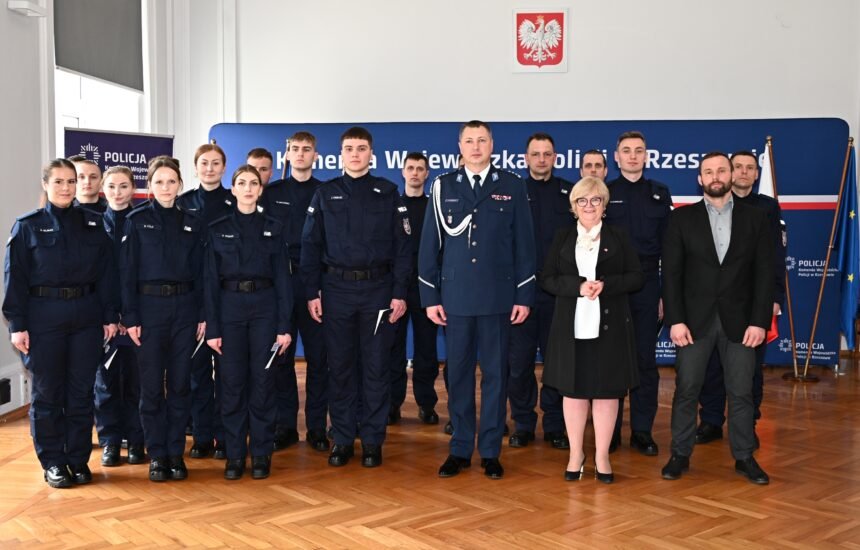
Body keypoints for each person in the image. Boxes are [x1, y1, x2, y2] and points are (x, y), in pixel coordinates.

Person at [419, 120, 536, 480]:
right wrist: (429, 295)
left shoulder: (511, 185)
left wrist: (523, 294)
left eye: (481, 140)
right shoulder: (442, 186)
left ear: (492, 145)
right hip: (454, 298)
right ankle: (459, 448)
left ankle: (489, 451)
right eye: (468, 140)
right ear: (459, 146)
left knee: (496, 376)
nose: (475, 146)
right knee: (458, 375)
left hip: (498, 297)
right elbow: (429, 246)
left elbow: (525, 246)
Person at [3, 158, 118, 488]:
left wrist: (110, 316)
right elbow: (15, 279)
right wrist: (17, 325)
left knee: (81, 393)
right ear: (46, 185)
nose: (67, 187)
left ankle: (78, 459)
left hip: (86, 316)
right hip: (44, 319)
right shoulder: (27, 226)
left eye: (72, 181)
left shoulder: (95, 225)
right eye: (59, 182)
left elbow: (107, 276)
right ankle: (53, 461)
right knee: (48, 394)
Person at [301, 126, 411, 468]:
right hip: (336, 292)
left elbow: (404, 249)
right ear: (340, 153)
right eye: (349, 148)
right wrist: (311, 292)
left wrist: (399, 293)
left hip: (378, 290)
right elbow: (310, 246)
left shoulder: (388, 192)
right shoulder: (325, 193)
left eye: (361, 148)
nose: (355, 154)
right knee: (341, 368)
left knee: (376, 367)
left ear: (371, 154)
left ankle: (373, 441)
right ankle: (344, 439)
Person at [661, 152, 773, 485]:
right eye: (708, 171)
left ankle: (744, 457)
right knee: (687, 389)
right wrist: (675, 320)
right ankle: (680, 454)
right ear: (699, 179)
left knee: (740, 392)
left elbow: (765, 275)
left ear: (732, 174)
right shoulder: (681, 219)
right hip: (693, 323)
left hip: (742, 322)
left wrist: (759, 321)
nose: (715, 176)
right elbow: (672, 275)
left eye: (721, 170)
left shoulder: (756, 219)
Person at [540, 176, 643, 483]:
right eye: (582, 201)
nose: (589, 206)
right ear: (573, 207)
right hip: (571, 327)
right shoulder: (561, 236)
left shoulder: (619, 236)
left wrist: (606, 286)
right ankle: (576, 454)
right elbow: (547, 279)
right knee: (573, 393)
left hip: (609, 328)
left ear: (604, 205)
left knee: (607, 393)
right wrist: (578, 286)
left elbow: (637, 277)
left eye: (595, 200)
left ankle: (601, 456)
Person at [121, 156, 207, 482]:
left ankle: (175, 454)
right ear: (150, 186)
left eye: (172, 182)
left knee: (182, 384)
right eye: (159, 182)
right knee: (152, 387)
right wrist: (130, 317)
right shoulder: (136, 220)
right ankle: (157, 455)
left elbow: (202, 273)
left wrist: (202, 314)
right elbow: (126, 273)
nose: (166, 187)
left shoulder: (192, 221)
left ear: (180, 185)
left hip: (185, 310)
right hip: (149, 311)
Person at [204, 165, 293, 480]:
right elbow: (210, 283)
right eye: (241, 183)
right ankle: (234, 455)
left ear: (260, 189)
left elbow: (284, 280)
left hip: (265, 310)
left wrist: (284, 327)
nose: (247, 188)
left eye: (253, 183)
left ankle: (261, 455)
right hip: (229, 311)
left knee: (263, 384)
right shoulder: (217, 228)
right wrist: (212, 329)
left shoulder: (274, 227)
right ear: (233, 188)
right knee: (230, 385)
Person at [695, 150, 786, 446]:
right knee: (711, 367)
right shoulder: (712, 206)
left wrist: (774, 296)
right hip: (713, 304)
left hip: (750, 303)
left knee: (750, 369)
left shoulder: (766, 209)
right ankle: (710, 421)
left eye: (750, 168)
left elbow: (773, 257)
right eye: (738, 167)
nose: (744, 173)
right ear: (729, 173)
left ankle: (748, 423)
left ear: (756, 174)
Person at [604, 131, 673, 456]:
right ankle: (611, 431)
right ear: (616, 157)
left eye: (639, 150)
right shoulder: (605, 192)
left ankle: (642, 431)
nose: (633, 156)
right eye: (626, 151)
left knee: (645, 360)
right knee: (614, 360)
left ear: (647, 156)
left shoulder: (659, 194)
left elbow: (670, 251)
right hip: (612, 287)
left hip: (648, 285)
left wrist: (664, 294)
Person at [507, 133, 575, 450]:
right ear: (526, 158)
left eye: (547, 153)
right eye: (536, 154)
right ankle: (522, 422)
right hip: (520, 292)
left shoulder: (569, 194)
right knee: (518, 363)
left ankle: (554, 424)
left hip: (558, 292)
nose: (542, 159)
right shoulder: (512, 191)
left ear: (555, 158)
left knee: (556, 363)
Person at [262, 132, 329, 452]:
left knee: (319, 360)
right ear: (285, 155)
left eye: (306, 150)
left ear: (315, 155)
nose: (300, 154)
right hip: (279, 285)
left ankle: (317, 426)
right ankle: (284, 425)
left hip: (315, 285)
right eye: (294, 149)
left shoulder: (326, 192)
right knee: (281, 360)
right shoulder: (271, 193)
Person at [177, 144, 234, 460]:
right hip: (192, 300)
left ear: (224, 168)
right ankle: (201, 435)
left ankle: (225, 436)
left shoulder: (234, 201)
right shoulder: (183, 204)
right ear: (195, 168)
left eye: (216, 163)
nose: (210, 168)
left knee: (227, 374)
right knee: (197, 373)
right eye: (204, 163)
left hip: (228, 298)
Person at [94, 166, 146, 467]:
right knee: (107, 383)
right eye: (111, 186)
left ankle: (137, 440)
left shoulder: (142, 222)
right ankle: (111, 442)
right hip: (105, 320)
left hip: (137, 318)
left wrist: (132, 316)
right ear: (104, 188)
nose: (117, 192)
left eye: (123, 186)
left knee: (138, 382)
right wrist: (110, 316)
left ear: (133, 189)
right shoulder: (94, 224)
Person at [387, 152, 440, 426]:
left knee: (427, 350)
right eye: (411, 168)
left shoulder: (435, 206)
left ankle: (426, 403)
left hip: (426, 288)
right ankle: (392, 404)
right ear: (403, 172)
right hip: (397, 287)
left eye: (421, 168)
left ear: (427, 173)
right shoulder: (391, 205)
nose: (416, 173)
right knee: (393, 349)